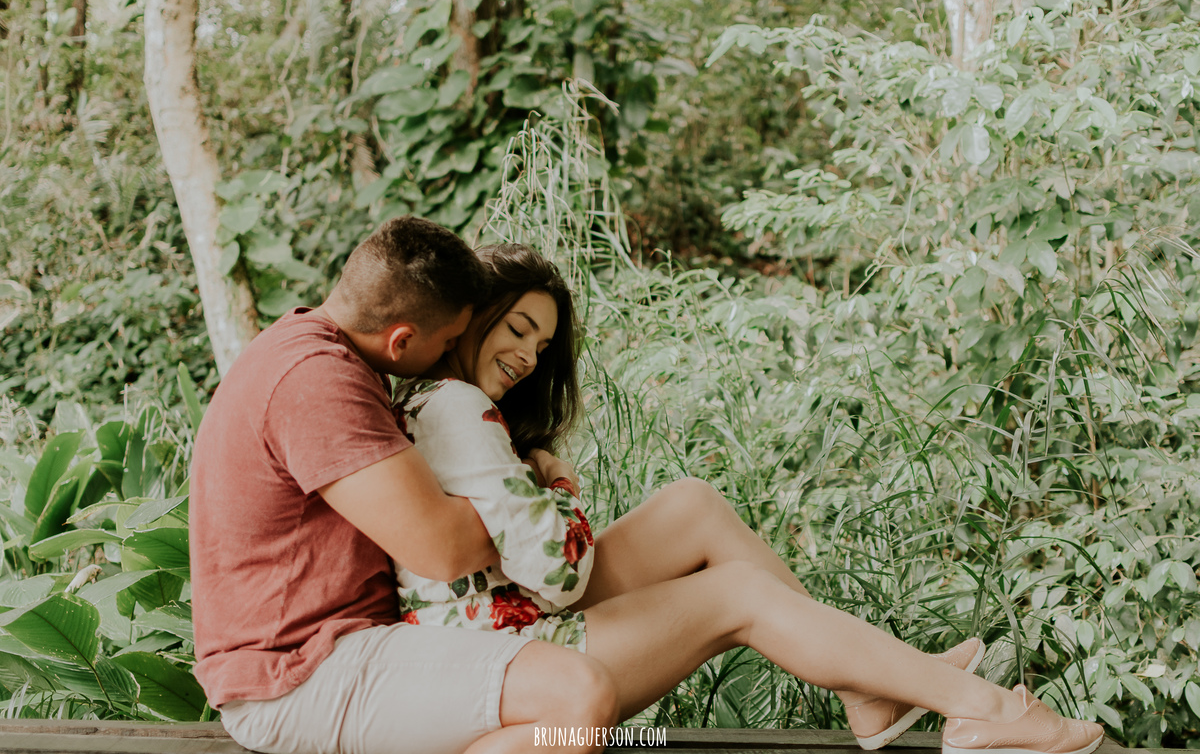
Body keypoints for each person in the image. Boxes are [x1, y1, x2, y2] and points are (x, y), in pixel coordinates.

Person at [385, 243, 1107, 754]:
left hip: (500, 616)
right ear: (472, 316)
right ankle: (985, 710)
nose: (528, 356)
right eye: (518, 329)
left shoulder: (442, 402)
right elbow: (560, 573)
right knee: (737, 596)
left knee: (692, 504)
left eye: (542, 346)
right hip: (503, 657)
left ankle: (867, 688)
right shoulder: (457, 407)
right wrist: (561, 484)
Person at [189, 217, 620, 754]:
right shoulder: (317, 379)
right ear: (402, 341)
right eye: (449, 341)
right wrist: (536, 490)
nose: (451, 354)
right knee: (577, 695)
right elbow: (444, 550)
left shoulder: (322, 352)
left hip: (343, 649)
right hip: (296, 673)